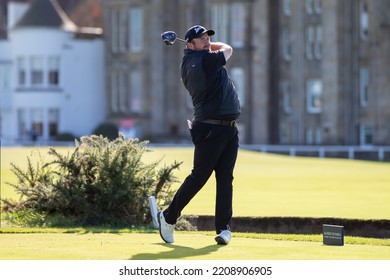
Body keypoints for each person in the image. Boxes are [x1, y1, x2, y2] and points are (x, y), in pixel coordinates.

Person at [158, 25, 241, 245]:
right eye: (201, 39)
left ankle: (223, 228)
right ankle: (168, 217)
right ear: (189, 45)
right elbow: (229, 49)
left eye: (207, 37)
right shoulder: (202, 61)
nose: (206, 41)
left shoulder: (195, 59)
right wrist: (210, 47)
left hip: (228, 128)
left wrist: (204, 46)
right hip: (211, 128)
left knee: (225, 179)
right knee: (199, 177)